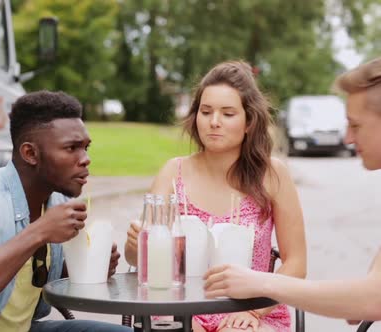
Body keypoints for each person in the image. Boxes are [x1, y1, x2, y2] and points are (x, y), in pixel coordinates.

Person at [0, 90, 130, 332]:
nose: (85, 159)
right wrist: (39, 232)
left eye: (86, 148)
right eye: (72, 148)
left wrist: (91, 264)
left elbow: (36, 276)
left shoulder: (56, 200)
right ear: (30, 153)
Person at [125, 61, 307, 332]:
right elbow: (136, 259)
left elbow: (296, 263)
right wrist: (136, 246)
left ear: (249, 122)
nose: (214, 122)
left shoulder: (272, 174)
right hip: (181, 313)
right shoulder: (172, 172)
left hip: (252, 312)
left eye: (228, 113)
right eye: (206, 111)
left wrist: (257, 311)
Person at [204, 57, 381, 323]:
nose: (347, 138)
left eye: (355, 125)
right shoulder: (176, 170)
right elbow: (363, 304)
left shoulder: (274, 175)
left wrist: (261, 283)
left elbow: (372, 300)